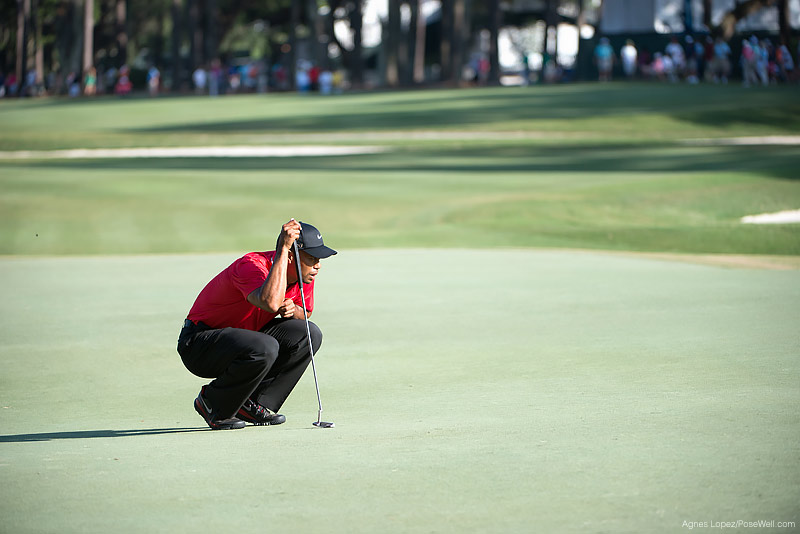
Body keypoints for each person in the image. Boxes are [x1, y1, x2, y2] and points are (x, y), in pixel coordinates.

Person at [177, 219, 337, 430]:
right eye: (312, 258)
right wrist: (282, 249)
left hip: (246, 340)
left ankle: (252, 403)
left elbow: (305, 312)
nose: (318, 265)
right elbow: (269, 302)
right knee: (264, 346)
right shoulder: (251, 266)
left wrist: (293, 310)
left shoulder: (302, 275)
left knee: (308, 333)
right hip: (200, 344)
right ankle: (213, 403)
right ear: (291, 256)